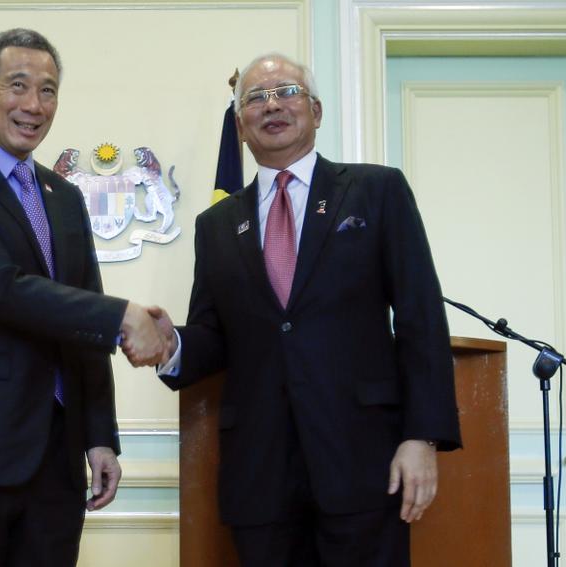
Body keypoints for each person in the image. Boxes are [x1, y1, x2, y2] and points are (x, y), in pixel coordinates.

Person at [140, 54, 461, 566]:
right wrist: (171, 344)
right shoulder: (217, 224)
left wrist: (421, 437)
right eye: (255, 98)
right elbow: (215, 333)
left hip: (364, 461)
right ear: (241, 125)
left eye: (285, 92)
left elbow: (421, 318)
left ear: (315, 110)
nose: (271, 105)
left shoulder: (376, 191)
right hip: (261, 473)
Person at [0, 28, 165, 567]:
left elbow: (80, 309)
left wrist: (100, 436)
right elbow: (2, 289)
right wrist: (123, 316)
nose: (34, 105)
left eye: (48, 90)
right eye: (17, 85)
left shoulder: (65, 196)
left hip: (57, 455)